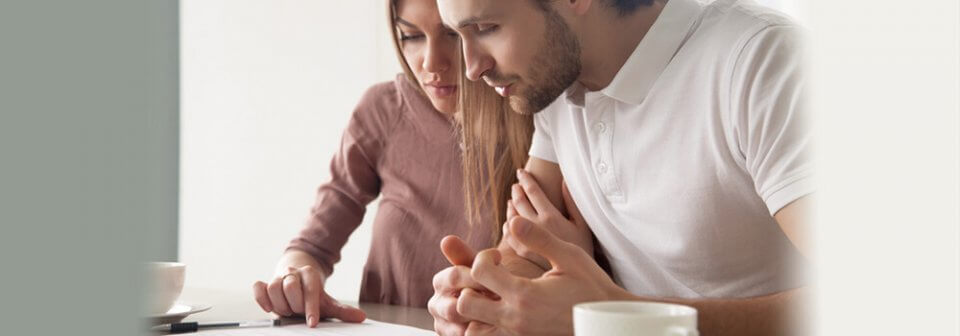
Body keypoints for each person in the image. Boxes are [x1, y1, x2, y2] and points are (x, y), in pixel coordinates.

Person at [430, 0, 814, 335]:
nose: (472, 69)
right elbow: (527, 254)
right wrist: (488, 298)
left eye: (485, 28)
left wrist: (618, 316)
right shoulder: (558, 87)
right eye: (458, 35)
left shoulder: (762, 61)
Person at [249, 0, 534, 328]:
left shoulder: (543, 126)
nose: (431, 63)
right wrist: (294, 279)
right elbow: (311, 246)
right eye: (411, 36)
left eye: (452, 35)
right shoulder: (384, 110)